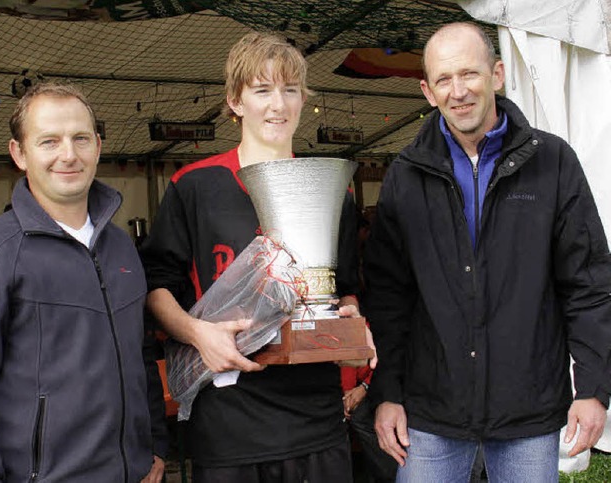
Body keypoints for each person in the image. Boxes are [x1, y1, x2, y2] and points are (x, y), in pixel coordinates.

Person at [364, 22, 611, 482]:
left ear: (497, 74)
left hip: (528, 411)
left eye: (469, 74)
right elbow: (387, 298)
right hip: (431, 411)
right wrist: (387, 394)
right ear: (426, 90)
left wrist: (593, 389)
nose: (458, 91)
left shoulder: (553, 163)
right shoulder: (405, 175)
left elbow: (590, 284)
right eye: (443, 79)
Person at [141, 32, 367, 482]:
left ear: (304, 99)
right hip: (229, 421)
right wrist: (198, 333)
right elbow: (155, 286)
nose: (278, 105)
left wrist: (350, 326)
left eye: (290, 90)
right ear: (236, 102)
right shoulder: (195, 186)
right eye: (262, 91)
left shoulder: (331, 188)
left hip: (315, 421)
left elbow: (348, 289)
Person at [0, 82, 168, 482]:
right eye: (49, 141)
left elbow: (141, 357)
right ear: (19, 153)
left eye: (80, 138)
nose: (68, 154)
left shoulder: (122, 247)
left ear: (97, 146)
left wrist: (154, 447)